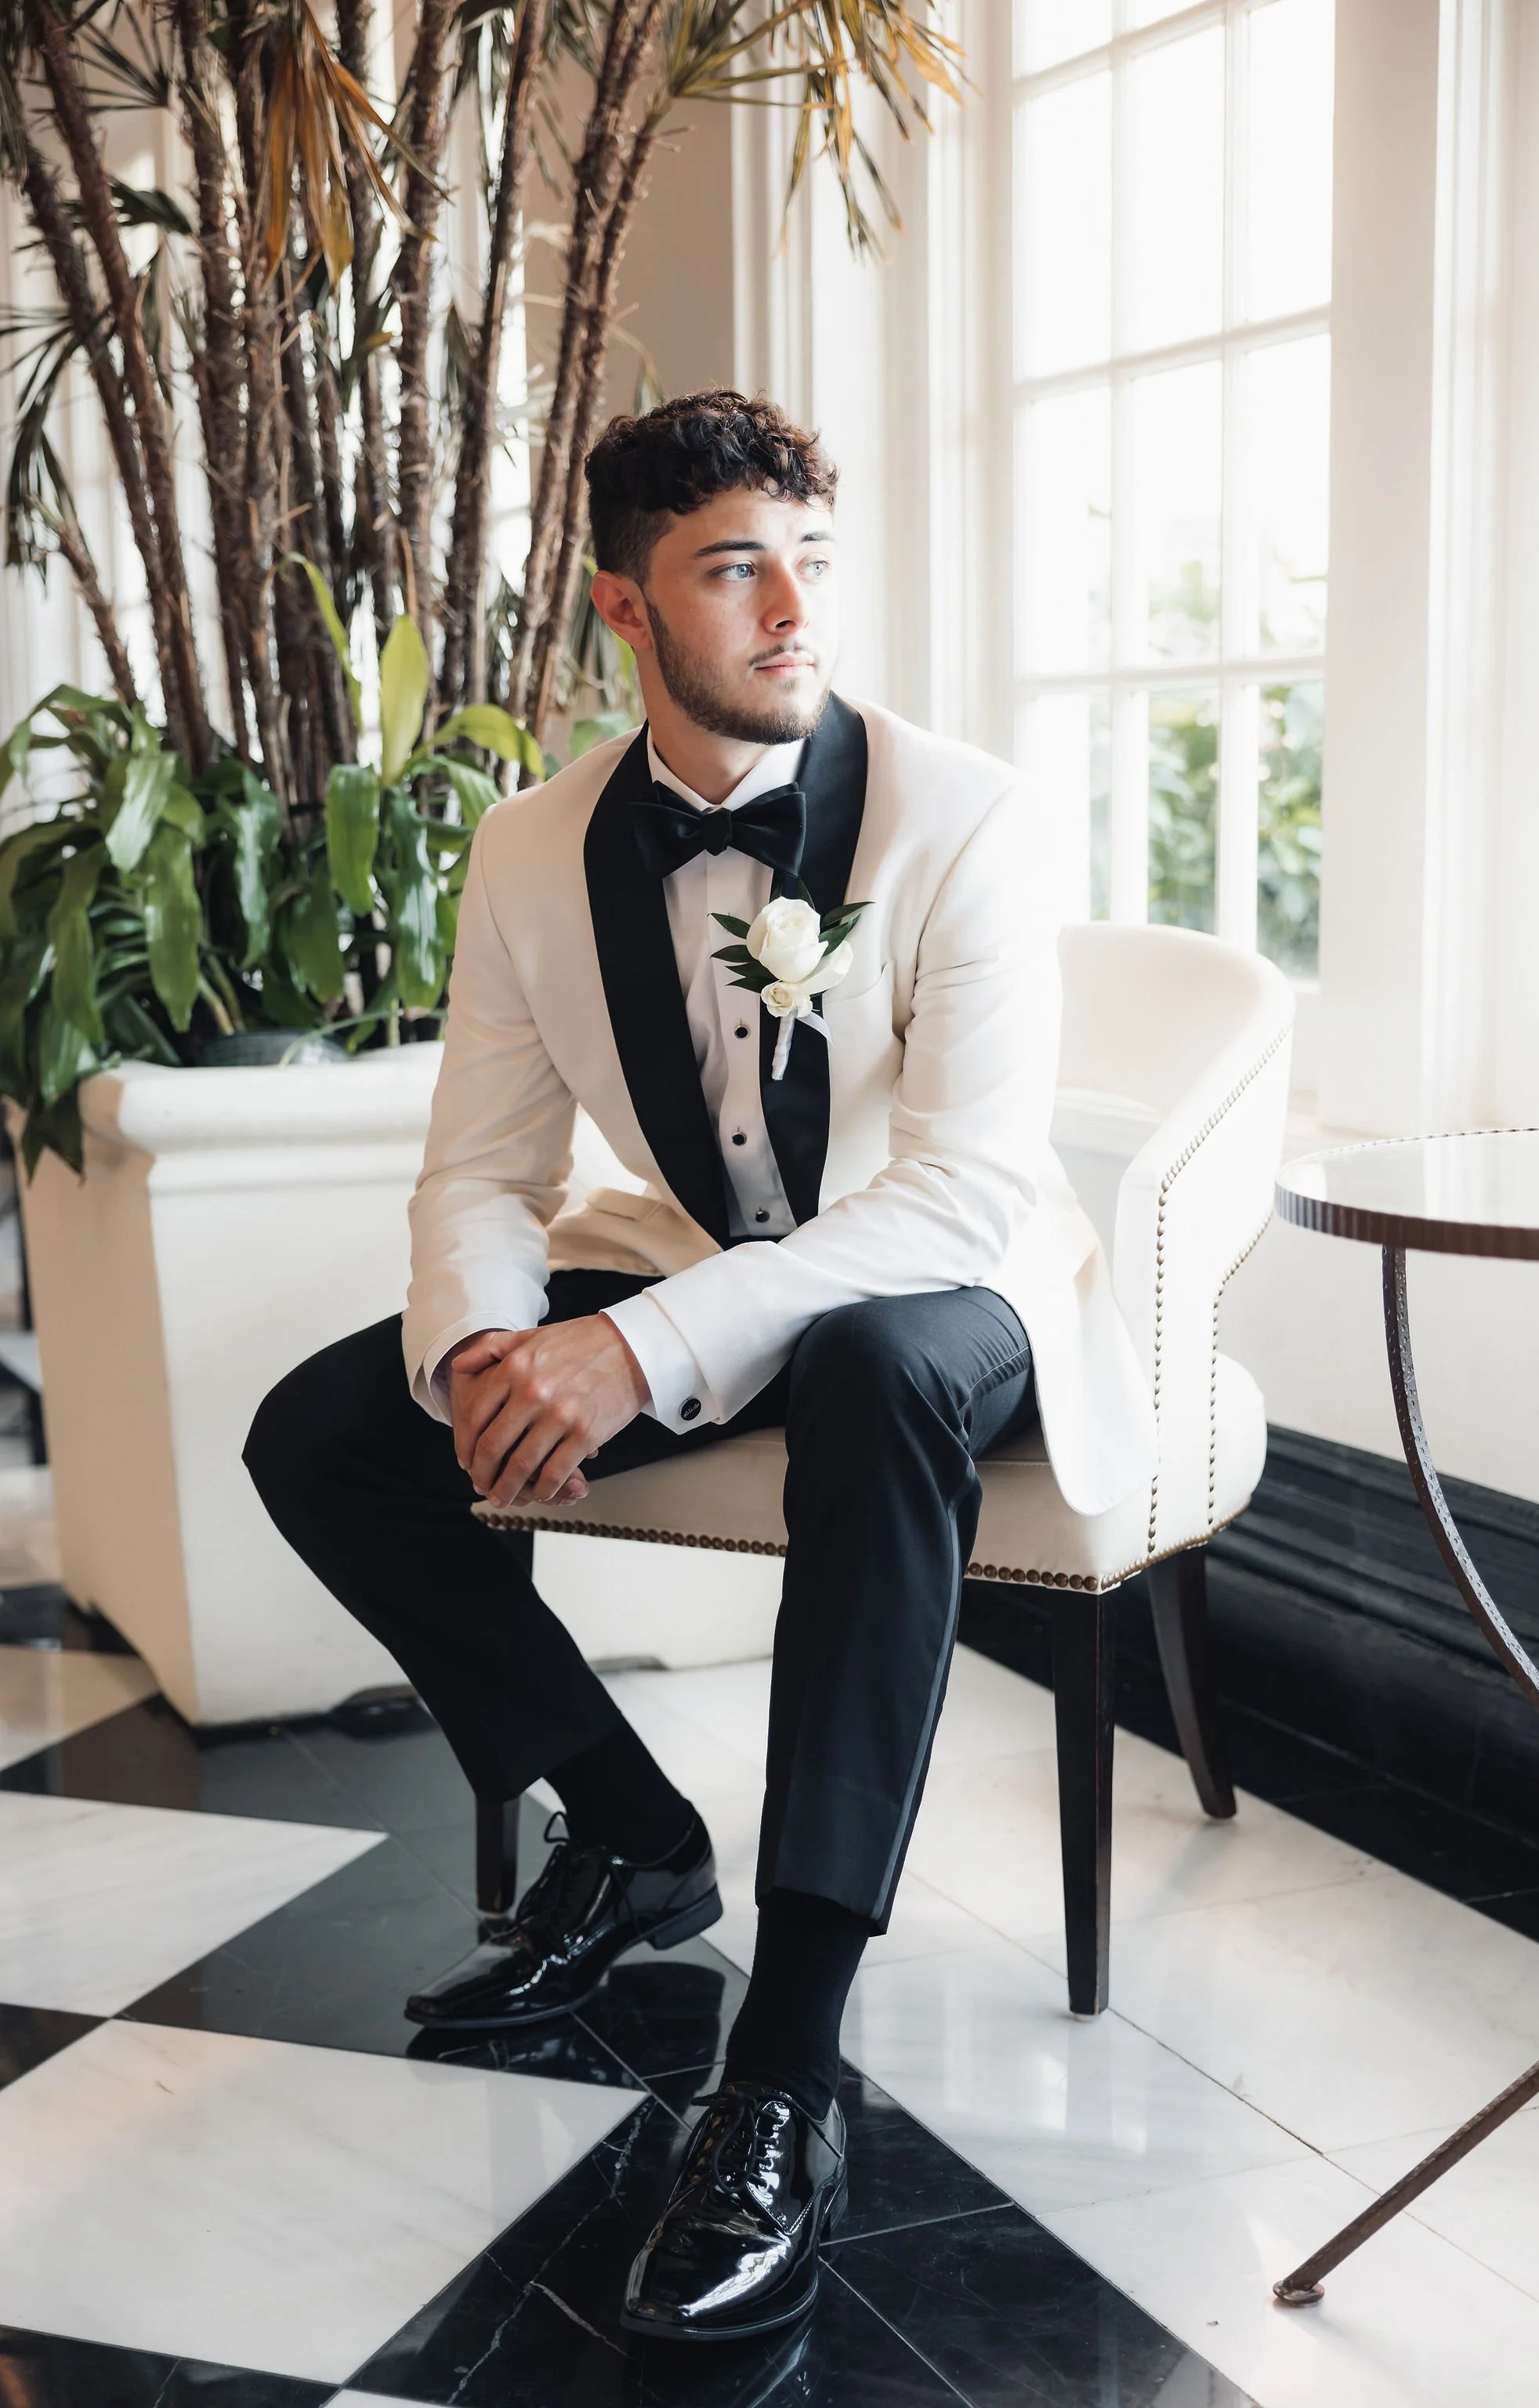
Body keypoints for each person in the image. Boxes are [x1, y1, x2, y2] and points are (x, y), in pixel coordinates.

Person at [245, 390, 1155, 2345]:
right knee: (331, 1428)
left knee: (875, 1376)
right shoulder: (528, 847)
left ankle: (786, 2070)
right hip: (715, 1258)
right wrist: (497, 1344)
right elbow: (483, 1166)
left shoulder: (966, 813)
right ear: (623, 612)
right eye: (734, 568)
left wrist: (631, 1352)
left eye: (808, 562)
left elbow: (962, 1191)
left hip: (961, 1291)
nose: (788, 610)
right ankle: (639, 1842)